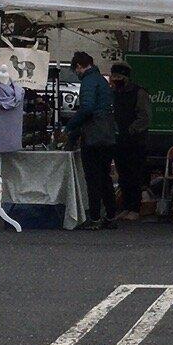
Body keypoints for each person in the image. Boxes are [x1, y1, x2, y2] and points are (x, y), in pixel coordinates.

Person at [64, 51, 118, 228]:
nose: (77, 74)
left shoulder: (88, 81)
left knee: (93, 178)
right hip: (108, 134)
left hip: (94, 136)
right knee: (105, 177)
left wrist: (70, 126)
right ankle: (110, 215)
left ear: (79, 66)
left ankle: (94, 217)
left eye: (76, 70)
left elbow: (87, 108)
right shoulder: (102, 80)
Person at [109, 62, 151, 221]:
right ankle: (126, 206)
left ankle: (134, 207)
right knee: (123, 175)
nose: (116, 80)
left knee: (135, 175)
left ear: (126, 77)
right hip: (119, 140)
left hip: (136, 141)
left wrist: (131, 130)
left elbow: (145, 117)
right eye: (114, 77)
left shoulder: (139, 93)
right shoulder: (115, 93)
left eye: (119, 77)